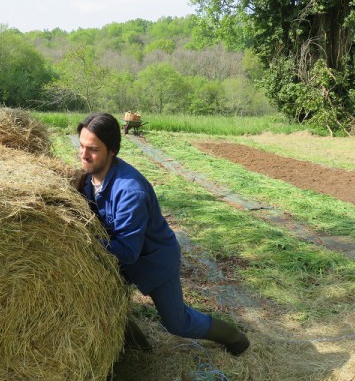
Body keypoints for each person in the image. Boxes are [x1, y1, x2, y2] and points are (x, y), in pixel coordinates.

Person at [76, 112, 250, 356]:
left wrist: (80, 240)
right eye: (81, 146)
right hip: (120, 253)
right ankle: (138, 348)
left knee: (178, 323)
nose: (83, 155)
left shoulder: (129, 192)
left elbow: (126, 252)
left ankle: (235, 339)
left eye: (92, 149)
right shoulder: (87, 179)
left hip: (154, 260)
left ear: (112, 151)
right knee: (98, 296)